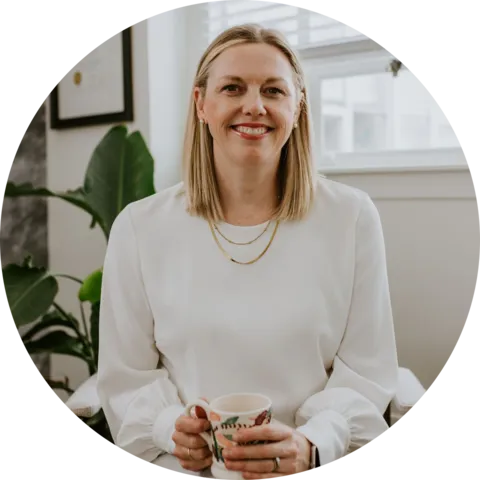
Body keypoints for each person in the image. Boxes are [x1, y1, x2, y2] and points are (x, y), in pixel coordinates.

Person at [97, 23, 399, 477]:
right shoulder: (139, 228)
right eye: (233, 87)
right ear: (202, 104)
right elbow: (126, 378)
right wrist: (168, 427)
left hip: (307, 466)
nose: (254, 106)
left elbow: (368, 370)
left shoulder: (352, 217)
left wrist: (312, 442)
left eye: (274, 90)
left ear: (297, 107)